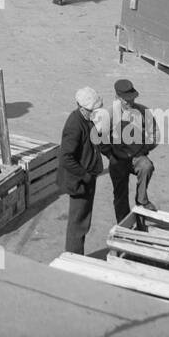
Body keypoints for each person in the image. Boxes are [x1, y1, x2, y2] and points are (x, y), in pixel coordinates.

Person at [101, 79, 157, 221]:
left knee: (147, 166)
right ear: (117, 98)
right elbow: (100, 138)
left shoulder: (144, 112)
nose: (129, 102)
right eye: (125, 100)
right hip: (118, 159)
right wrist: (110, 154)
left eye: (132, 99)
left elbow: (155, 134)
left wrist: (145, 147)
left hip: (137, 156)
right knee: (120, 195)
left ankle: (141, 200)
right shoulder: (109, 114)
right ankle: (123, 224)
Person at [59, 87, 105, 254]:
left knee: (84, 220)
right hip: (79, 181)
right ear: (80, 107)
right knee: (78, 222)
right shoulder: (74, 124)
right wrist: (84, 175)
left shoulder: (87, 120)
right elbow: (66, 158)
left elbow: (94, 141)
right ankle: (73, 257)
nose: (93, 113)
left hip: (87, 178)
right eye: (90, 111)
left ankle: (76, 255)